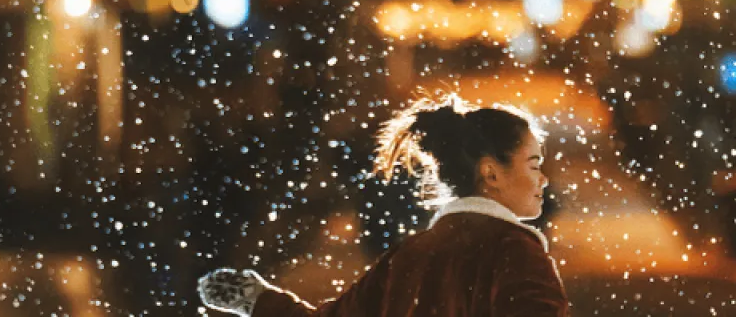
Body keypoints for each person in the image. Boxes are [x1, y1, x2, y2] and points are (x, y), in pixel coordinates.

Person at [197, 95, 567, 317]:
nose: (543, 179)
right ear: (491, 173)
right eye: (533, 164)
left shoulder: (412, 253)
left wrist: (259, 301)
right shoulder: (515, 253)